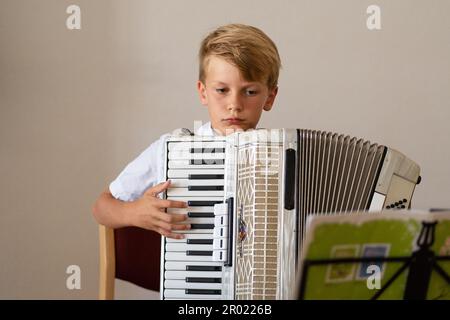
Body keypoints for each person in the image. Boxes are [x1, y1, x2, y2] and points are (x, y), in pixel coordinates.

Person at [92, 23, 281, 239]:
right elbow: (101, 207)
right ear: (203, 93)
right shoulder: (172, 151)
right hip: (193, 272)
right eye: (221, 90)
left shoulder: (283, 154)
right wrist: (134, 213)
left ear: (270, 97)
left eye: (250, 91)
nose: (234, 104)